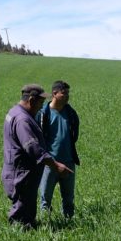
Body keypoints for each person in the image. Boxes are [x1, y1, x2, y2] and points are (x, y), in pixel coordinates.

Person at [1, 84, 72, 229]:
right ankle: (19, 239)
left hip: (18, 172)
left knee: (27, 212)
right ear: (32, 100)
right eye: (40, 102)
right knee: (21, 216)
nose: (41, 107)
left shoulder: (14, 112)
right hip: (22, 175)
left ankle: (29, 229)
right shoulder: (23, 120)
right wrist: (56, 165)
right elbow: (33, 149)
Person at [37, 80, 80, 218]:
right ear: (54, 94)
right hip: (49, 164)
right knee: (45, 200)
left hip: (68, 162)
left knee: (68, 200)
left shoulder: (71, 113)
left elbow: (74, 135)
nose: (67, 96)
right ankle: (46, 228)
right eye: (64, 93)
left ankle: (68, 226)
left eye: (68, 93)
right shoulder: (43, 113)